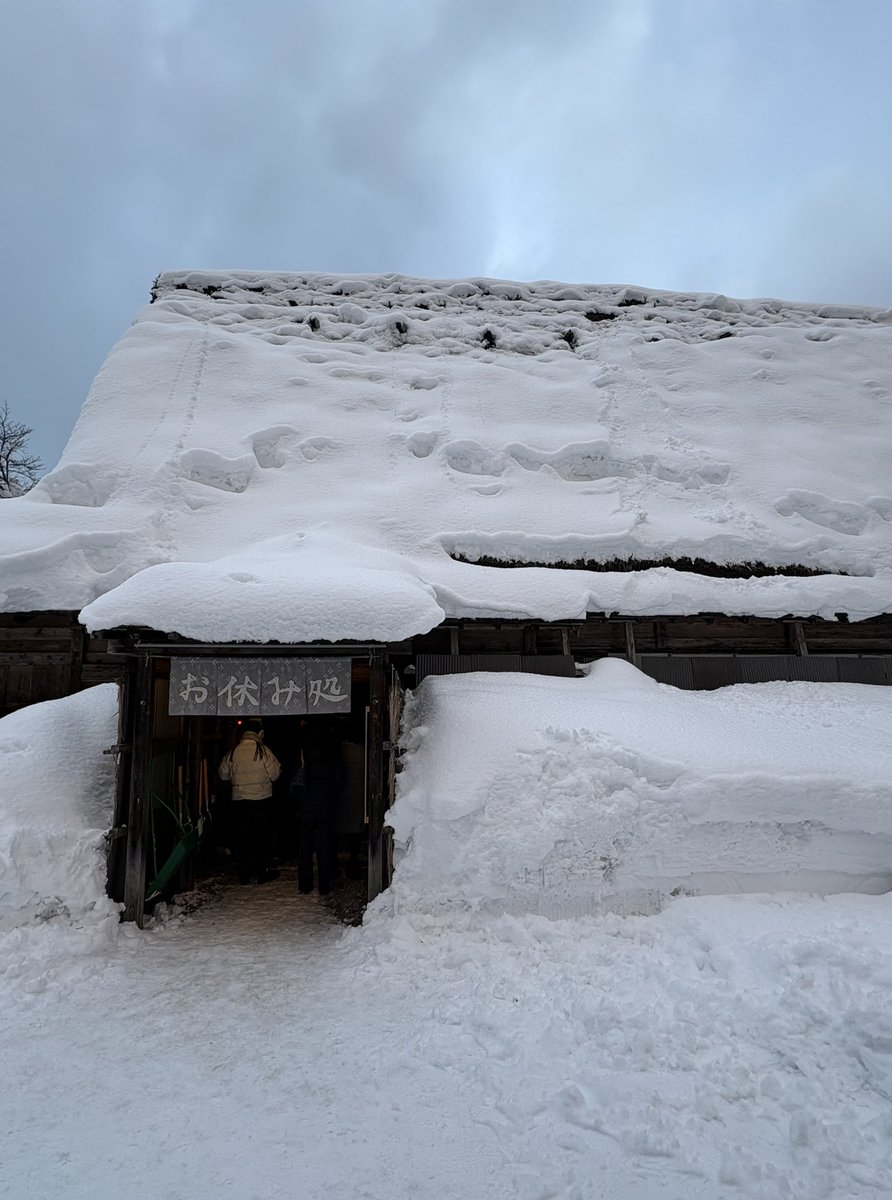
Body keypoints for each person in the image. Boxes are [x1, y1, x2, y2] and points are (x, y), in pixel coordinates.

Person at [218, 718, 282, 884]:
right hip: (261, 800)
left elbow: (222, 774)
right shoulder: (263, 751)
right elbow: (275, 774)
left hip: (239, 801)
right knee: (262, 837)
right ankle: (262, 872)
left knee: (243, 838)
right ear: (259, 734)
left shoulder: (233, 752)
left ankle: (244, 874)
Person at [292, 722, 343, 896]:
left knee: (305, 846)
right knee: (324, 845)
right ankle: (324, 885)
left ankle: (305, 884)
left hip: (305, 805)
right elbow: (339, 780)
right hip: (325, 805)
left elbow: (294, 780)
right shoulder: (332, 755)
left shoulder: (302, 754)